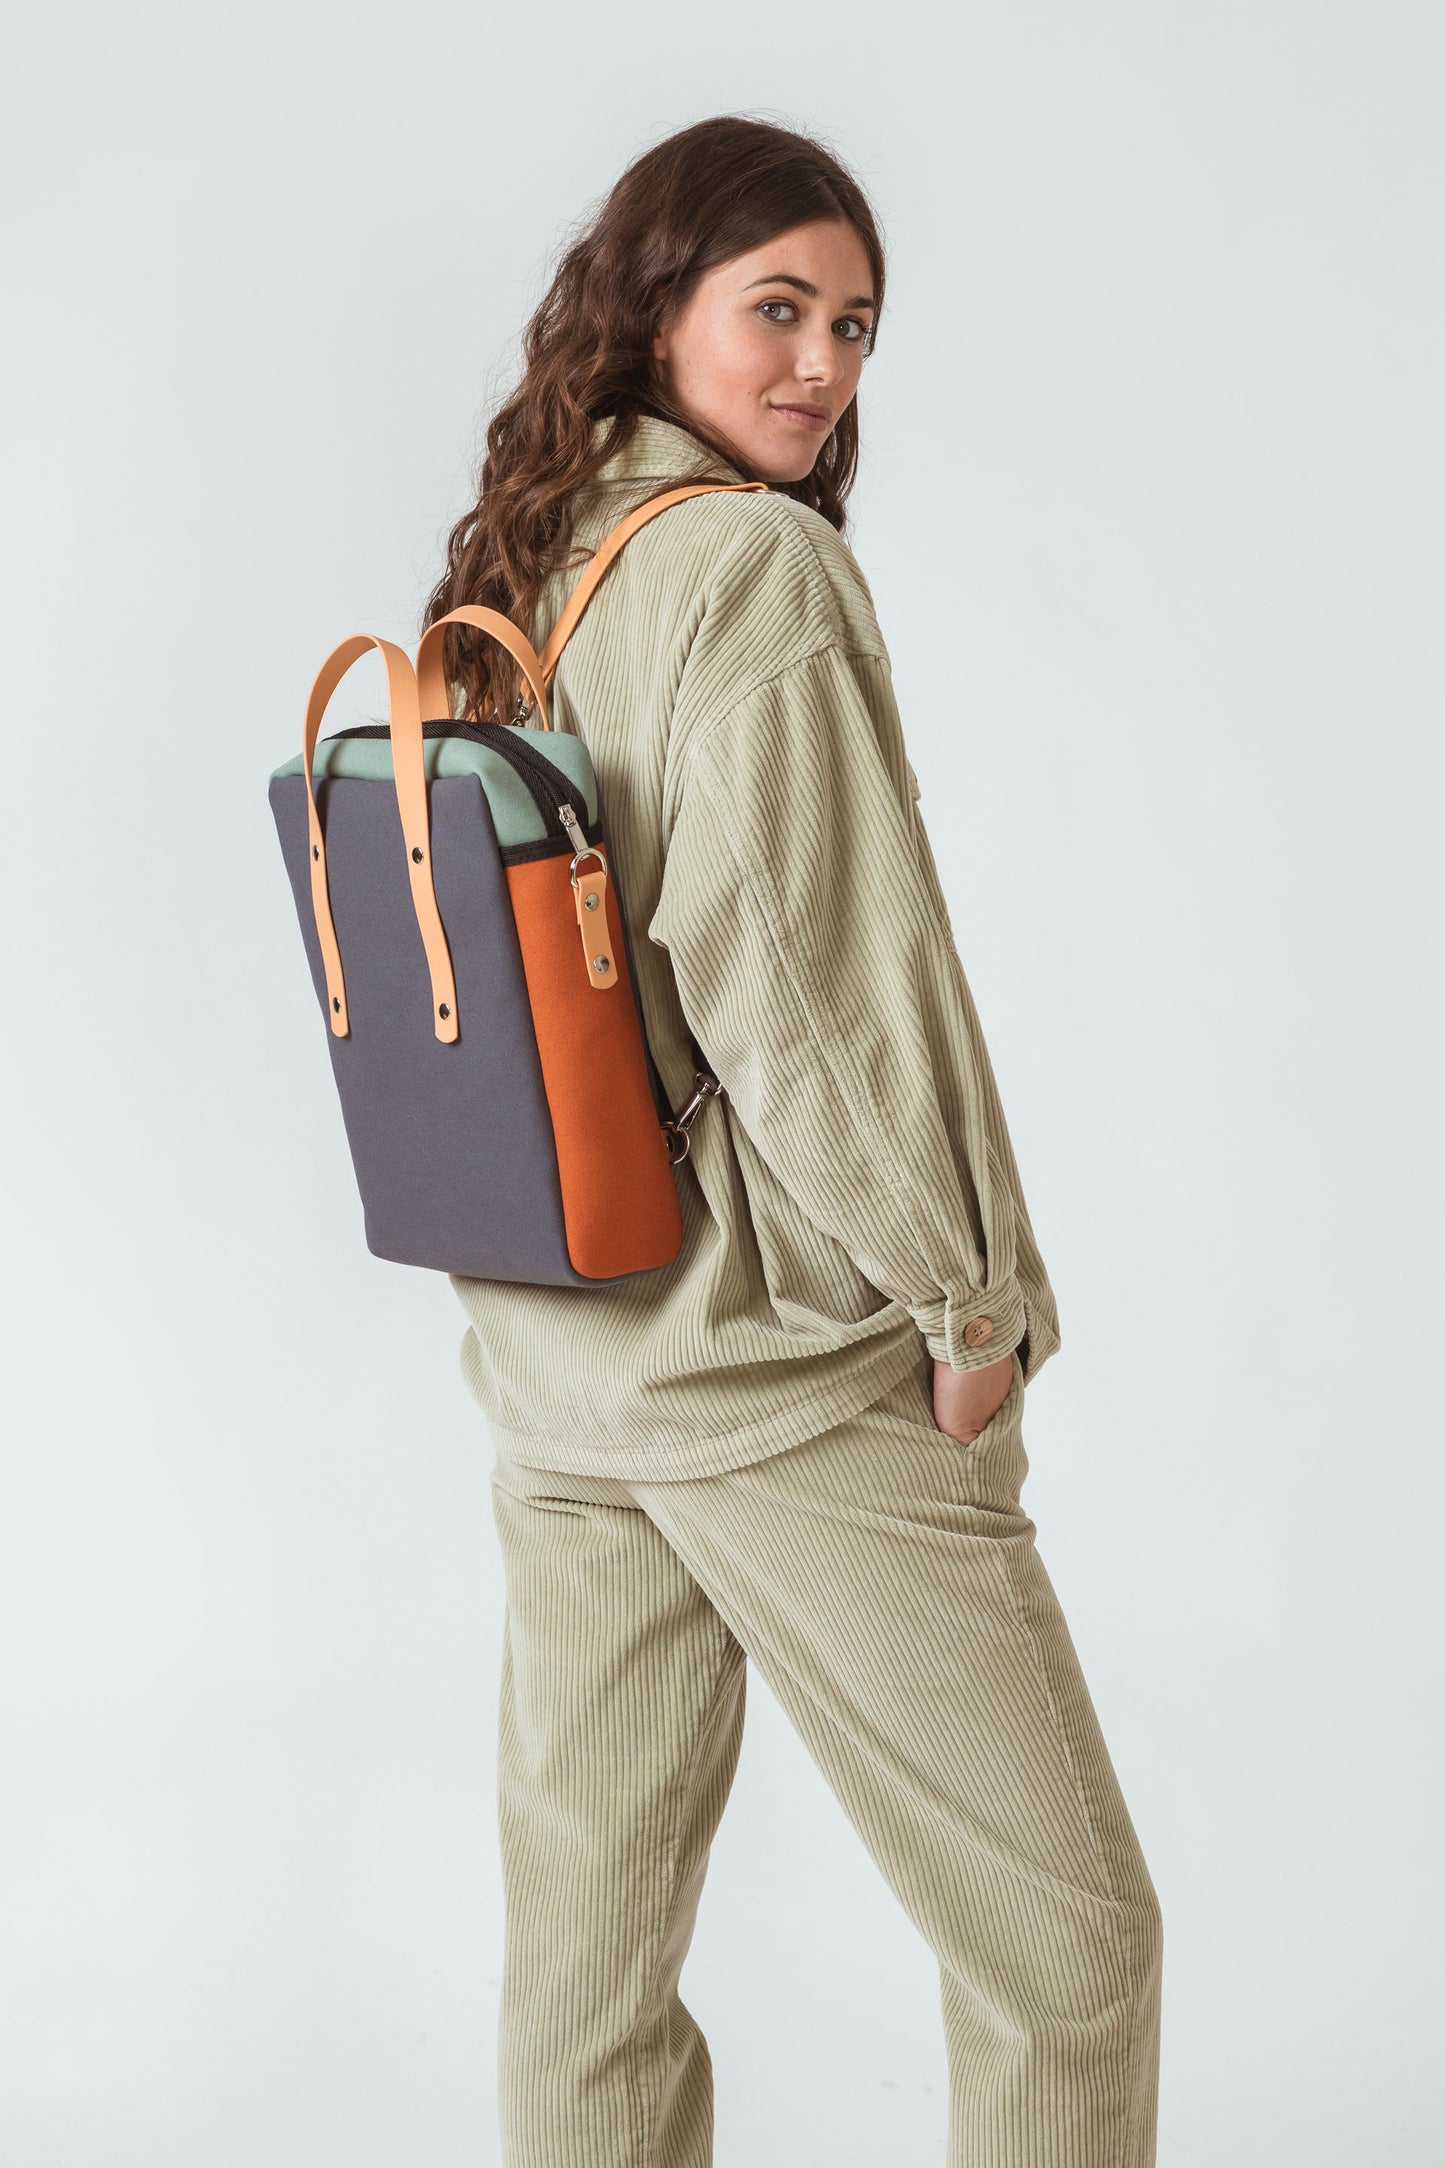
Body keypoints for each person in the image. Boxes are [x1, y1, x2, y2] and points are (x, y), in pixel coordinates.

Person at [421, 113, 1163, 2168]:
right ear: (656, 303)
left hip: (561, 1359)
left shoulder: (523, 567)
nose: (822, 364)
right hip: (767, 1374)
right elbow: (812, 995)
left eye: (853, 326)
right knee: (1071, 1958)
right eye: (778, 309)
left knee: (588, 1973)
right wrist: (970, 1304)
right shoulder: (748, 568)